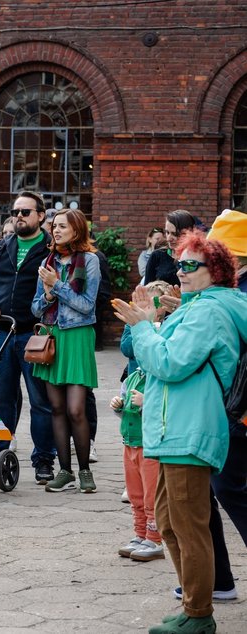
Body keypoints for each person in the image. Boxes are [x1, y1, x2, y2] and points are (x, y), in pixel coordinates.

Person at [112, 232, 247, 634]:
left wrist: (142, 326)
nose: (180, 272)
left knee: (188, 526)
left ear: (217, 271)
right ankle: (192, 605)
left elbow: (169, 363)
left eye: (190, 265)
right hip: (177, 428)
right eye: (178, 264)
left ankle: (199, 614)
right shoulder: (202, 306)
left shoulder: (208, 312)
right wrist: (174, 309)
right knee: (170, 522)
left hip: (191, 427)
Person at [0, 191, 57, 485]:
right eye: (16, 212)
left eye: (26, 212)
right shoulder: (1, 247)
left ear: (41, 216)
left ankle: (43, 460)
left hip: (33, 335)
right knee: (1, 399)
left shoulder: (50, 251)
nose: (20, 217)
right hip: (1, 332)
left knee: (41, 400)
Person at [31, 208, 100, 493]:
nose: (55, 230)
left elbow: (86, 305)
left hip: (78, 337)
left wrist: (55, 285)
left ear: (77, 229)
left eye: (62, 226)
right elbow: (35, 307)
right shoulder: (48, 261)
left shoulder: (90, 261)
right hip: (52, 337)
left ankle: (84, 470)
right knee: (56, 409)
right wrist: (48, 293)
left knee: (75, 410)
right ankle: (65, 471)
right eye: (54, 226)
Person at [200, 208, 247, 604]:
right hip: (228, 406)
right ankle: (219, 580)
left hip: (233, 408)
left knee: (228, 487)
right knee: (216, 490)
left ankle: (219, 580)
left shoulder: (233, 295)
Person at [113, 281, 172, 564]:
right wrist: (119, 404)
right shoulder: (134, 375)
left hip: (150, 444)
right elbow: (128, 348)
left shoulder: (158, 379)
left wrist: (146, 402)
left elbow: (165, 403)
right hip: (130, 442)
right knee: (135, 494)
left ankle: (154, 538)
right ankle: (139, 533)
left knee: (151, 496)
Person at [145, 209, 202, 287]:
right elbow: (147, 289)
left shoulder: (198, 257)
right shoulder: (157, 255)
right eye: (167, 232)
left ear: (189, 232)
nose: (168, 238)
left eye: (175, 234)